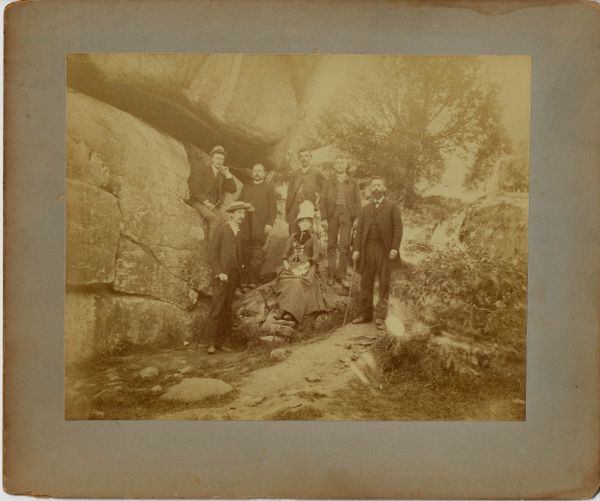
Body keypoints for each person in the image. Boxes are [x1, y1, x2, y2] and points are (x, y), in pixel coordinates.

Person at [351, 177, 403, 329]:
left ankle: (381, 317)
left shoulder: (392, 207)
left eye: (379, 185)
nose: (376, 188)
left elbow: (398, 229)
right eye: (373, 185)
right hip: (367, 249)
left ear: (384, 188)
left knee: (384, 282)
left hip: (384, 250)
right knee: (365, 281)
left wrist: (394, 248)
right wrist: (356, 250)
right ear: (370, 189)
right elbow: (359, 231)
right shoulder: (366, 208)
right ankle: (365, 314)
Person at [204, 201, 254, 354]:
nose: (242, 216)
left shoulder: (240, 233)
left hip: (233, 276)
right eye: (239, 213)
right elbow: (212, 254)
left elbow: (241, 257)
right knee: (217, 307)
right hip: (221, 276)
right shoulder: (221, 229)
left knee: (227, 309)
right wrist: (219, 272)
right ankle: (211, 343)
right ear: (231, 214)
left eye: (243, 213)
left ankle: (221, 342)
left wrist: (241, 271)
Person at [275, 201, 330, 324]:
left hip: (307, 265)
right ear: (299, 223)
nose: (305, 223)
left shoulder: (313, 237)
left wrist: (308, 264)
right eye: (302, 221)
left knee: (299, 282)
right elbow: (286, 251)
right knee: (286, 281)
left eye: (307, 221)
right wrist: (285, 261)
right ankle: (284, 309)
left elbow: (316, 255)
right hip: (292, 264)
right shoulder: (293, 236)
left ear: (310, 224)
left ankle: (290, 312)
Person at [320, 156, 362, 289]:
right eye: (337, 163)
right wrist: (324, 218)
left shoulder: (353, 182)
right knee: (331, 244)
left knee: (344, 245)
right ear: (334, 166)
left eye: (342, 163)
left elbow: (358, 201)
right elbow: (322, 200)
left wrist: (356, 218)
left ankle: (341, 276)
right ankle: (331, 274)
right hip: (332, 214)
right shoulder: (329, 182)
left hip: (347, 214)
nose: (339, 165)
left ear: (346, 165)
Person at [239, 163, 277, 288]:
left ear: (264, 173)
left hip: (260, 226)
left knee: (257, 254)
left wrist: (269, 224)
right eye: (255, 170)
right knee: (244, 253)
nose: (257, 173)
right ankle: (243, 281)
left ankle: (253, 282)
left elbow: (273, 209)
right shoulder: (246, 187)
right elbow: (238, 203)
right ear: (252, 173)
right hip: (245, 226)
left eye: (260, 171)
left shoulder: (268, 188)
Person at [188, 145, 237, 238]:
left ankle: (219, 250)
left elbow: (232, 189)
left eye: (222, 159)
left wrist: (227, 174)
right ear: (212, 159)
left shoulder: (221, 176)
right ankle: (212, 252)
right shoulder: (203, 170)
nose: (219, 161)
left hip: (213, 206)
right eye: (217, 158)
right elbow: (195, 188)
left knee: (224, 225)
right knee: (214, 220)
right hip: (198, 202)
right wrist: (206, 202)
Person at [285, 148, 326, 234]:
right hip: (294, 206)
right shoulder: (294, 173)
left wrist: (318, 203)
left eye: (306, 156)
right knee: (293, 232)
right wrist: (287, 210)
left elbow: (325, 190)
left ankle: (306, 247)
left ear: (310, 157)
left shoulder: (316, 173)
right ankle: (293, 247)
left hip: (308, 206)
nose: (304, 158)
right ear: (299, 159)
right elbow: (289, 192)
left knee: (306, 232)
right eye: (301, 156)